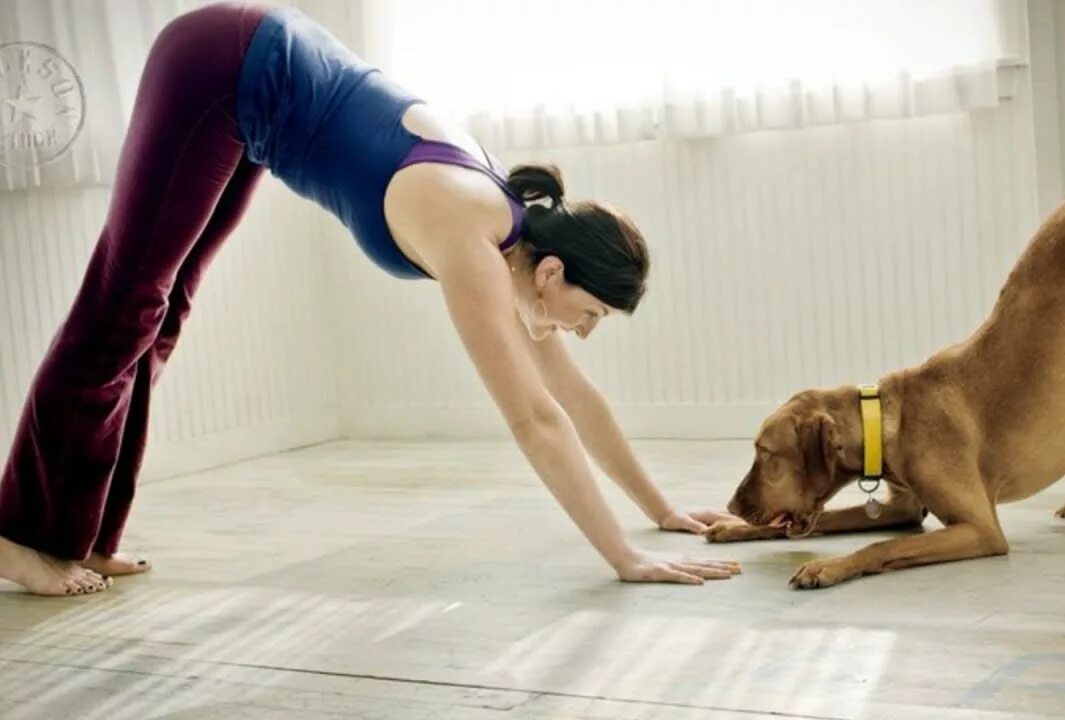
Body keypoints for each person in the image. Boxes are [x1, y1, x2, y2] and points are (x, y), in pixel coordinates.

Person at [0, 2, 740, 596]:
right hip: (221, 65)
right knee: (126, 302)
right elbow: (536, 420)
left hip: (255, 81)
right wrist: (622, 558)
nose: (582, 334)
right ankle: (19, 536)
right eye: (593, 316)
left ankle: (84, 536)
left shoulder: (515, 242)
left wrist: (662, 512)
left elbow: (576, 400)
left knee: (164, 313)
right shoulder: (470, 233)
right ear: (552, 274)